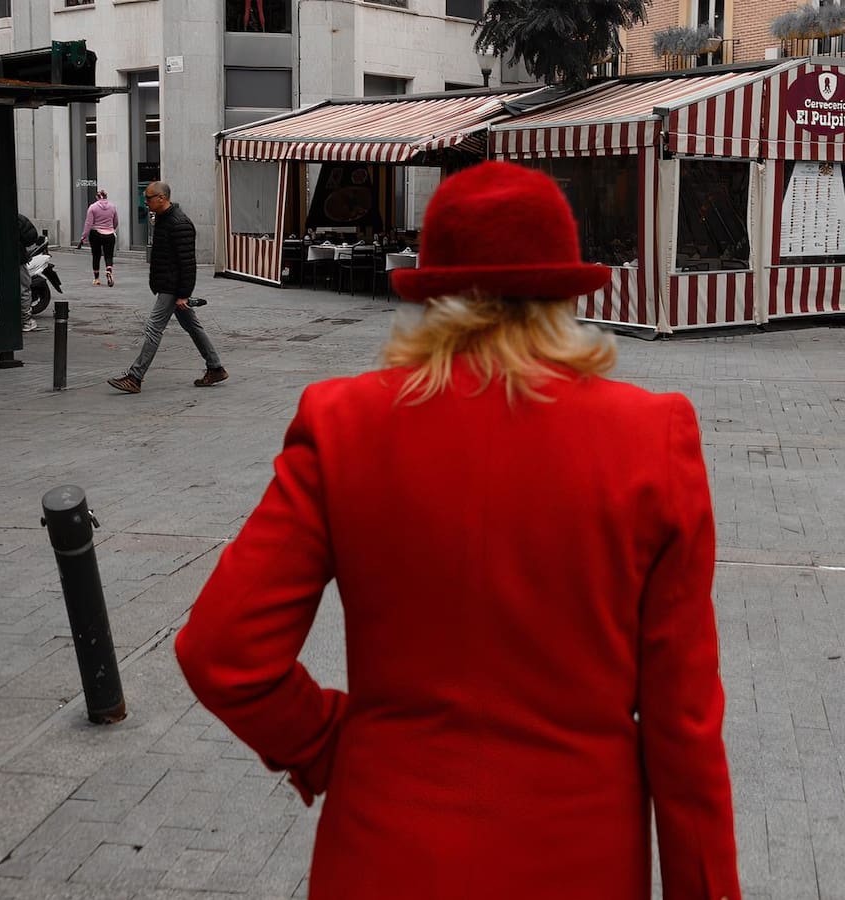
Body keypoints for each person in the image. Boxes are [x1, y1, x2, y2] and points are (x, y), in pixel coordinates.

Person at [175, 161, 740, 899]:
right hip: (578, 857)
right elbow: (685, 728)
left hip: (382, 851)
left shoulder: (343, 424)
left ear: (430, 290)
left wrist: (325, 744)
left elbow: (222, 651)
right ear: (566, 292)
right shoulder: (651, 438)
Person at [107, 181, 226, 394]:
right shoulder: (162, 220)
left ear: (162, 198)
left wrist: (183, 295)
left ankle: (135, 376)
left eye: (149, 198)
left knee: (153, 328)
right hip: (167, 284)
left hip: (173, 287)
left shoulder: (180, 223)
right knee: (192, 326)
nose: (146, 203)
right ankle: (215, 367)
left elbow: (188, 263)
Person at [79, 188, 119, 286]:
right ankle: (109, 269)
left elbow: (88, 223)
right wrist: (111, 229)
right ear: (106, 197)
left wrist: (83, 237)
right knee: (108, 255)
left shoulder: (93, 207)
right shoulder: (112, 206)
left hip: (96, 233)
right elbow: (116, 221)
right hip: (109, 234)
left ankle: (96, 279)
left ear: (97, 197)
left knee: (96, 255)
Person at [17, 213, 40, 332]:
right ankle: (25, 321)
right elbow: (31, 237)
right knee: (23, 289)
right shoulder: (17, 217)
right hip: (17, 258)